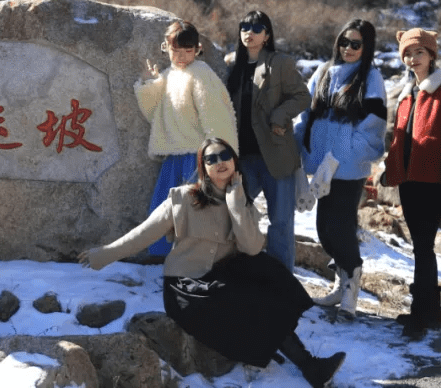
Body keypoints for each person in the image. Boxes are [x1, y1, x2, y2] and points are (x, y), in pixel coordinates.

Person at [79, 138, 345, 388]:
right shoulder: (182, 198)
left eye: (225, 155)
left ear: (234, 160)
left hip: (220, 276)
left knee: (267, 271)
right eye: (211, 158)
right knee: (244, 299)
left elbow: (252, 247)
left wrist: (236, 205)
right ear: (203, 168)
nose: (220, 161)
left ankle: (308, 365)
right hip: (185, 287)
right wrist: (104, 254)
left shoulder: (243, 201)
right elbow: (143, 234)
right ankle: (295, 359)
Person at [295, 18, 387, 318]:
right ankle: (340, 282)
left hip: (347, 167)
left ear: (366, 47)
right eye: (344, 42)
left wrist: (346, 153)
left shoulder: (371, 78)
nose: (348, 48)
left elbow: (374, 125)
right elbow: (306, 115)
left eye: (356, 44)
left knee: (341, 228)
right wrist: (298, 145)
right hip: (322, 165)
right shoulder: (323, 72)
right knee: (324, 230)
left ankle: (351, 288)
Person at [382, 28, 441, 339]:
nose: (412, 59)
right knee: (419, 248)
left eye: (419, 52)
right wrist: (389, 171)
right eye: (407, 53)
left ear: (431, 56)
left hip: (432, 183)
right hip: (409, 182)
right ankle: (429, 314)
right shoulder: (406, 97)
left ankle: (423, 315)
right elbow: (398, 142)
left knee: (423, 248)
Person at [135, 20, 237, 256]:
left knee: (197, 212)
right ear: (166, 48)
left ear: (197, 50)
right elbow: (155, 113)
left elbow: (216, 117)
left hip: (198, 156)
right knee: (166, 209)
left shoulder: (201, 74)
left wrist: (219, 158)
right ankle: (168, 258)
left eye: (187, 51)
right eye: (175, 50)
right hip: (174, 154)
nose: (181, 56)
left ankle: (196, 260)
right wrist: (152, 82)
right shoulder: (172, 74)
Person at [225, 10, 308, 271]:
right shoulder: (231, 66)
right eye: (245, 27)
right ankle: (236, 271)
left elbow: (302, 97)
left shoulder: (280, 63)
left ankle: (281, 281)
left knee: (281, 223)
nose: (250, 32)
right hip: (240, 158)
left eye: (257, 28)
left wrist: (280, 115)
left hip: (276, 154)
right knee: (232, 215)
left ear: (267, 35)